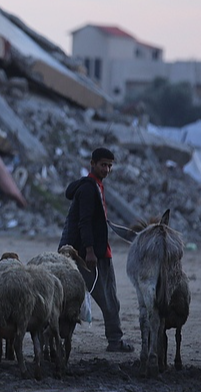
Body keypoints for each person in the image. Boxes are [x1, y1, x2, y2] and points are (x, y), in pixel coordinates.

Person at [59, 147, 133, 353]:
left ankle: (59, 336)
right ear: (92, 164)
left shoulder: (95, 186)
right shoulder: (88, 189)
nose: (107, 169)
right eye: (103, 165)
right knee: (108, 299)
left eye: (110, 165)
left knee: (100, 297)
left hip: (96, 251)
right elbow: (84, 222)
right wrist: (90, 251)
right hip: (88, 254)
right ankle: (115, 341)